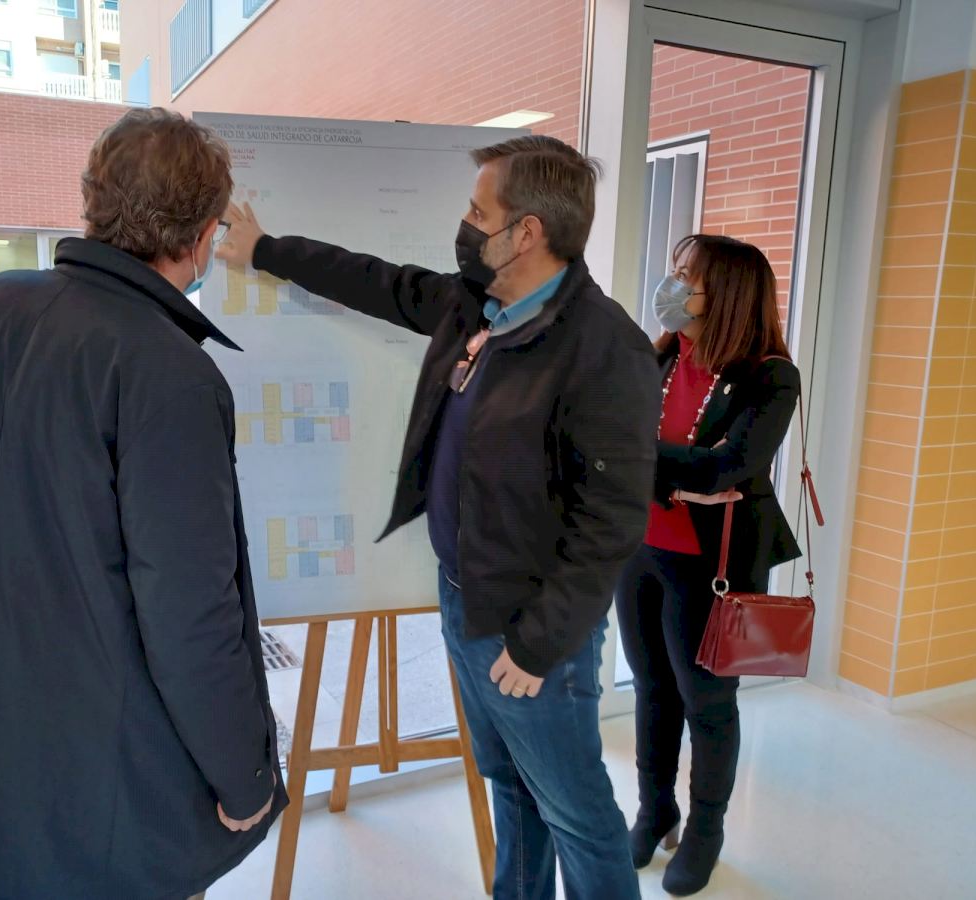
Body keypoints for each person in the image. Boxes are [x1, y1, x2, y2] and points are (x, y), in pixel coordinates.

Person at [0, 108, 287, 900]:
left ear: (94, 201)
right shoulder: (168, 372)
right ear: (201, 235)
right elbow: (190, 612)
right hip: (93, 815)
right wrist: (245, 778)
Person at [218, 135, 659, 900]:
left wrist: (535, 646)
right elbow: (379, 283)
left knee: (577, 813)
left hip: (531, 633)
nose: (465, 223)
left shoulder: (602, 347)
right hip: (466, 599)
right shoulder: (477, 305)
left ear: (526, 232)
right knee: (511, 786)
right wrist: (266, 249)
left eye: (478, 212)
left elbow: (611, 524)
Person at [615, 235, 801, 896]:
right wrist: (669, 468)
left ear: (726, 294)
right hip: (639, 549)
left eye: (685, 275)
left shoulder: (769, 376)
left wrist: (636, 456)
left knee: (708, 701)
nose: (670, 284)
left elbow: (728, 466)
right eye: (674, 269)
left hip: (711, 565)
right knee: (651, 687)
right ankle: (654, 810)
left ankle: (705, 830)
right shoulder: (660, 356)